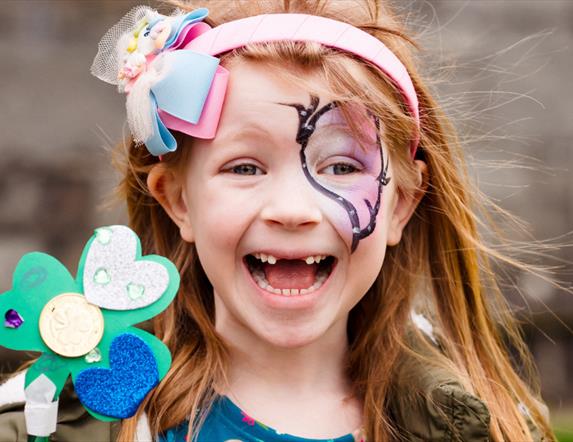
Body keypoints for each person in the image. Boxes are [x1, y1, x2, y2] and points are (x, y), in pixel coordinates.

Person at [0, 0, 555, 441]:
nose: (292, 209)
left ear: (401, 206)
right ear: (179, 202)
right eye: (244, 166)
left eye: (341, 166)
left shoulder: (490, 428)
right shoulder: (55, 425)